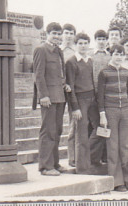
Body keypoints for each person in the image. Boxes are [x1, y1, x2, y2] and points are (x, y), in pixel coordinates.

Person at [97, 44, 128, 192]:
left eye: (121, 54)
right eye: (116, 54)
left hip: (125, 111)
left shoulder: (126, 72)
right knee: (113, 146)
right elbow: (100, 96)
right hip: (110, 111)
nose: (119, 56)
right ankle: (116, 181)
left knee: (125, 146)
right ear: (111, 55)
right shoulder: (104, 72)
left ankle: (127, 179)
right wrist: (102, 114)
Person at [33, 22, 70, 176]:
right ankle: (45, 167)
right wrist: (44, 96)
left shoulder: (58, 51)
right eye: (53, 33)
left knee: (57, 130)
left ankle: (54, 163)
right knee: (48, 131)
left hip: (60, 97)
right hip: (48, 97)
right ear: (47, 34)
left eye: (58, 33)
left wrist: (65, 83)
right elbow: (39, 75)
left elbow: (61, 72)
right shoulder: (41, 50)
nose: (56, 36)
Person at [65, 33, 98, 174]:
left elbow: (91, 81)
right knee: (81, 134)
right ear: (75, 44)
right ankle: (82, 167)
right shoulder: (71, 61)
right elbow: (70, 86)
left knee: (101, 129)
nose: (83, 46)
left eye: (85, 43)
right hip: (80, 100)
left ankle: (92, 158)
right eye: (80, 43)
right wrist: (75, 107)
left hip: (92, 99)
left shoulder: (89, 60)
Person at [89, 30, 110, 166]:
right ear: (95, 40)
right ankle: (91, 158)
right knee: (97, 127)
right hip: (94, 96)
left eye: (104, 39)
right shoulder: (91, 56)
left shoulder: (110, 56)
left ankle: (104, 157)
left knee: (106, 127)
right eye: (99, 39)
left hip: (108, 95)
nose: (101, 41)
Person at [60, 23, 77, 168]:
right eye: (67, 33)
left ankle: (73, 158)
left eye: (71, 33)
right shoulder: (57, 50)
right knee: (57, 125)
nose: (69, 36)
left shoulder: (76, 51)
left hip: (73, 91)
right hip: (58, 91)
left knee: (74, 124)